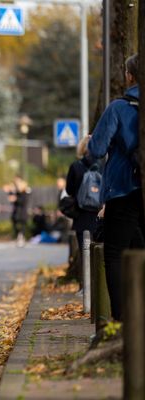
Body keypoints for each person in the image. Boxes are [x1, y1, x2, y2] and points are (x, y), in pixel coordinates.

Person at [87, 53, 141, 322]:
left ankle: (120, 326)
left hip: (124, 189)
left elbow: (96, 149)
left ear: (130, 75)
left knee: (116, 254)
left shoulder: (120, 107)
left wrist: (92, 140)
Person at [64, 135, 103, 280]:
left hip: (81, 216)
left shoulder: (75, 166)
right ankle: (99, 285)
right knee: (101, 252)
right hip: (100, 214)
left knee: (84, 252)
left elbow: (69, 190)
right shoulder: (103, 165)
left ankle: (85, 286)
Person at [6, 176, 30, 247]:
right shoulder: (17, 192)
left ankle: (21, 237)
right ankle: (17, 237)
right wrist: (10, 191)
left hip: (22, 212)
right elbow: (11, 197)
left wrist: (15, 199)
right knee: (15, 223)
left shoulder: (25, 192)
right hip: (16, 212)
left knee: (22, 225)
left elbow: (23, 201)